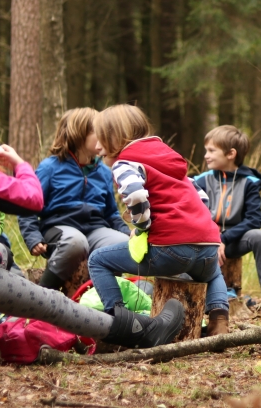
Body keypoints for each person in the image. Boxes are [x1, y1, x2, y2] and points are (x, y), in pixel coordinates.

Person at [0, 91, 185, 349]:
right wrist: (19, 164)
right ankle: (143, 332)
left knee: (0, 253)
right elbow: (32, 199)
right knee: (55, 303)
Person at [87, 105, 231, 336]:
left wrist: (142, 227)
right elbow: (200, 195)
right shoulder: (168, 158)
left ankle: (118, 319)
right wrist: (203, 232)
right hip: (206, 247)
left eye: (102, 139)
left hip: (169, 249)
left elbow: (134, 194)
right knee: (213, 273)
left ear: (118, 136)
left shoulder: (125, 163)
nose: (97, 147)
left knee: (97, 260)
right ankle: (219, 321)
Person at [19, 108, 131, 292]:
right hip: (60, 231)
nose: (104, 136)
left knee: (121, 243)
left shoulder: (103, 172)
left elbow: (111, 213)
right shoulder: (50, 167)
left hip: (95, 230)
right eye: (98, 131)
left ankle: (103, 296)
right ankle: (44, 293)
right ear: (79, 134)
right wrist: (32, 237)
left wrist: (127, 233)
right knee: (76, 242)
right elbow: (28, 206)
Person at [192, 125, 261, 310]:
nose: (206, 155)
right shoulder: (201, 181)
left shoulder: (249, 183)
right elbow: (193, 214)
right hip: (206, 242)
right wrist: (214, 239)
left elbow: (255, 219)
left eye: (211, 150)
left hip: (233, 242)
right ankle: (214, 295)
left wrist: (224, 238)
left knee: (259, 236)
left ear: (230, 154)